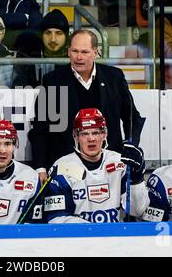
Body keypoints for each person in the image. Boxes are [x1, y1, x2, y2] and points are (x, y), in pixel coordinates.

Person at [28, 29, 145, 180]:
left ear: (96, 53)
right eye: (74, 51)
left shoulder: (114, 77)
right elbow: (40, 128)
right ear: (68, 51)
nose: (79, 57)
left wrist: (130, 146)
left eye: (85, 52)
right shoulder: (52, 81)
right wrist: (41, 168)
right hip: (67, 168)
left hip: (110, 167)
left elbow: (132, 118)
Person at [43, 108, 148, 223]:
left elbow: (137, 211)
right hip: (79, 239)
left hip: (117, 239)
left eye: (96, 133)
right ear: (76, 136)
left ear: (104, 134)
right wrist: (94, 232)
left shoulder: (121, 162)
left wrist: (136, 180)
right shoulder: (61, 168)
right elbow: (56, 218)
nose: (91, 139)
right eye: (84, 134)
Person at [13, 9, 70, 87]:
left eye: (59, 33)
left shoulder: (74, 55)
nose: (53, 39)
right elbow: (19, 84)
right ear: (41, 35)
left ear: (66, 36)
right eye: (48, 33)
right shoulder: (28, 53)